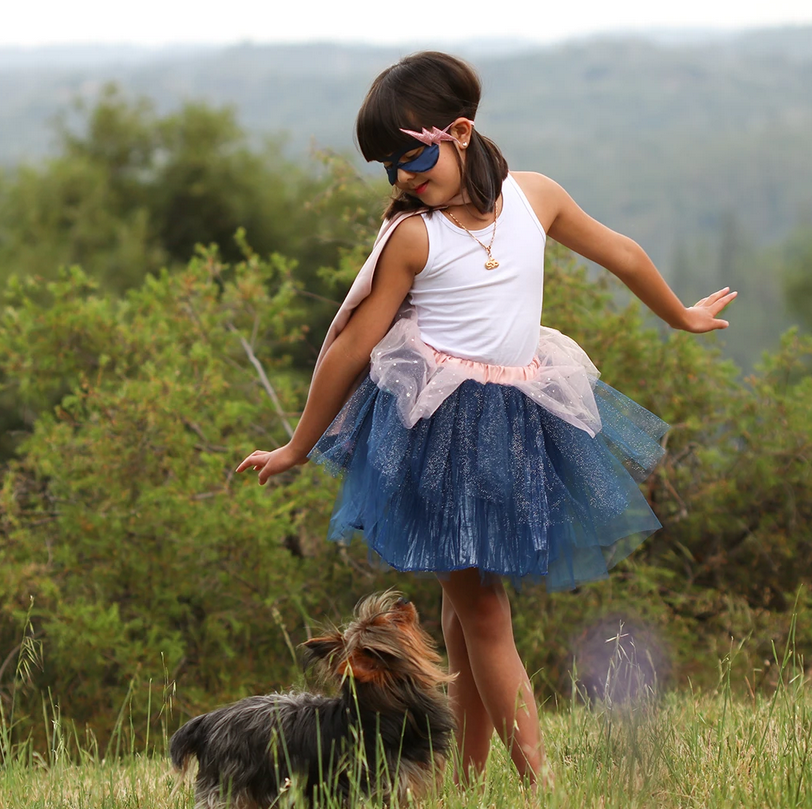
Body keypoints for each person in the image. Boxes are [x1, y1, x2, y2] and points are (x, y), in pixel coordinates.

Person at [236, 51, 736, 788]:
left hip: (518, 424)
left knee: (466, 609)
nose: (403, 177)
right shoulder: (415, 236)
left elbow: (621, 254)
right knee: (487, 612)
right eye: (388, 167)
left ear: (460, 132)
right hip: (435, 432)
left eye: (412, 156)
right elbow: (350, 343)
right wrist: (297, 444)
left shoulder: (536, 198)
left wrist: (680, 315)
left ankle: (463, 778)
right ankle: (540, 784)